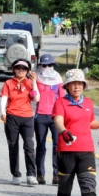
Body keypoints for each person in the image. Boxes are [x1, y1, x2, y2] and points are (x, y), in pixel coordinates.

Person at [52, 69, 99, 196]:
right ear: (67, 86)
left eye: (79, 84)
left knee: (89, 187)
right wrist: (63, 131)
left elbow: (90, 122)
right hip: (66, 150)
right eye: (73, 84)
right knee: (65, 188)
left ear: (84, 85)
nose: (77, 87)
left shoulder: (89, 103)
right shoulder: (60, 102)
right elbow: (58, 120)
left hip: (86, 152)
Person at [0, 59, 40, 186]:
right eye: (18, 68)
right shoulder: (8, 83)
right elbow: (4, 98)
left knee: (29, 145)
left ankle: (31, 174)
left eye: (24, 68)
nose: (21, 70)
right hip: (12, 117)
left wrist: (34, 82)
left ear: (28, 71)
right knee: (13, 146)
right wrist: (3, 112)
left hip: (27, 117)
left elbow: (36, 98)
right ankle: (16, 174)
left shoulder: (30, 83)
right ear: (13, 69)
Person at [34, 54, 65, 185]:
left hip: (55, 116)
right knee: (41, 146)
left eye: (50, 65)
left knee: (57, 145)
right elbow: (34, 96)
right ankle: (40, 174)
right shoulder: (36, 78)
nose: (47, 68)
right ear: (40, 66)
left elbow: (62, 98)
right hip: (40, 115)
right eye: (44, 65)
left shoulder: (58, 79)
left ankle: (56, 174)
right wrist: (32, 82)